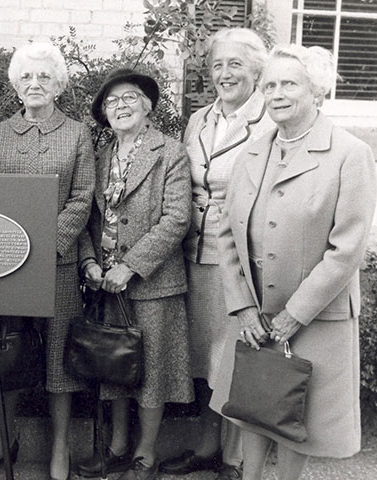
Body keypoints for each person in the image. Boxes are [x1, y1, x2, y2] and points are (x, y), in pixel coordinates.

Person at [208, 44, 376, 480]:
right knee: (251, 406)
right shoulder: (252, 150)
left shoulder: (349, 154)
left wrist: (294, 315)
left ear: (316, 91)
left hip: (315, 318)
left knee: (298, 423)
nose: (276, 93)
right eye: (269, 85)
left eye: (289, 84)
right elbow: (226, 232)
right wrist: (242, 305)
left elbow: (347, 249)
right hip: (255, 314)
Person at [0, 42, 95, 480]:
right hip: (8, 268)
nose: (35, 84)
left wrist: (46, 243)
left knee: (60, 359)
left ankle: (60, 447)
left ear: (58, 84)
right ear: (15, 85)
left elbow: (82, 199)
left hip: (59, 267)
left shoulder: (78, 133)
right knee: (10, 353)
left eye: (44, 76)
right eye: (26, 77)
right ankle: (4, 437)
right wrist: (12, 249)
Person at [160, 28, 275, 480]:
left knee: (239, 359)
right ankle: (208, 447)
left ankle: (237, 460)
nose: (224, 74)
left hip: (244, 259)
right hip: (197, 253)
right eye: (217, 65)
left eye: (235, 64)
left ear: (257, 70)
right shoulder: (199, 119)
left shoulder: (269, 119)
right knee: (209, 359)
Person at [77, 68, 194, 480]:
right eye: (112, 102)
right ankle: (117, 447)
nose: (120, 106)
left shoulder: (170, 152)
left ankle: (145, 455)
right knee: (115, 369)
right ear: (104, 114)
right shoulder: (100, 155)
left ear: (147, 106)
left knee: (151, 373)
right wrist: (88, 261)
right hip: (106, 285)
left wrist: (131, 266)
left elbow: (177, 219)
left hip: (152, 285)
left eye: (129, 98)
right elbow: (86, 217)